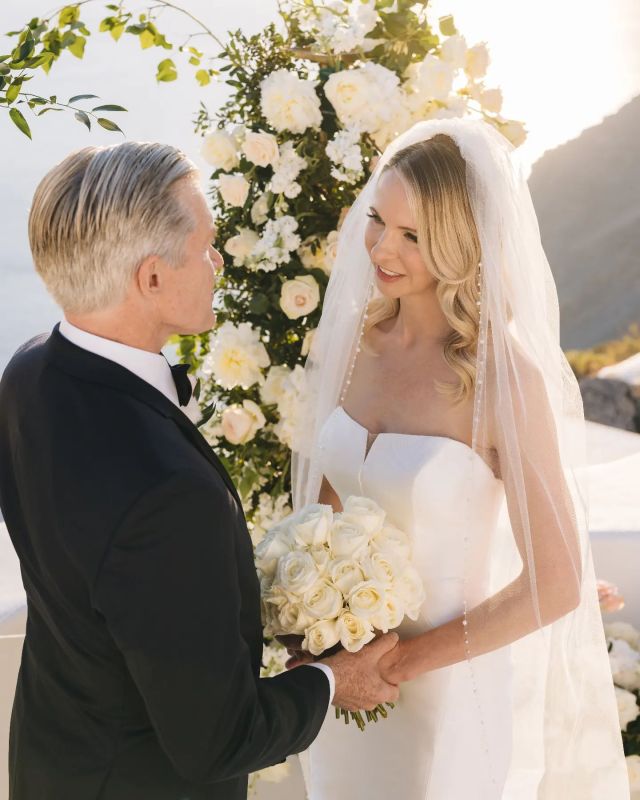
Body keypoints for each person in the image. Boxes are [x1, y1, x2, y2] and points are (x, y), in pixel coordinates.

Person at [0, 141, 399, 800]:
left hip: (53, 761)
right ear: (151, 278)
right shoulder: (167, 494)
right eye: (208, 246)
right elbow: (218, 741)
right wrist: (334, 681)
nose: (219, 262)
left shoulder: (27, 372)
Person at [290, 119, 629, 798]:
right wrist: (312, 628)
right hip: (346, 677)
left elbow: (555, 581)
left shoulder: (503, 379)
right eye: (379, 220)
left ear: (460, 243)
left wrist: (397, 666)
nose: (384, 248)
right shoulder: (357, 338)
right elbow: (327, 504)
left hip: (446, 693)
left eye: (413, 235)